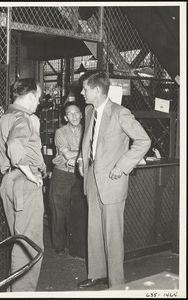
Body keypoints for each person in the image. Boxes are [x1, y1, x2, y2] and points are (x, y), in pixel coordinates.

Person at [77, 70, 151, 289]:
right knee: (94, 229)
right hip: (92, 179)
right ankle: (97, 274)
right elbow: (88, 141)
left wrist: (122, 166)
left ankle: (116, 283)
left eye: (85, 89)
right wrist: (82, 161)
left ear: (98, 90)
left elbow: (143, 141)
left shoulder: (120, 113)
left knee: (113, 234)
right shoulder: (90, 110)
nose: (82, 93)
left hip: (113, 180)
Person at [0, 78, 45, 292]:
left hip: (9, 181)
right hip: (25, 182)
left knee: (20, 240)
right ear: (31, 95)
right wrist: (31, 175)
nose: (39, 103)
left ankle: (13, 292)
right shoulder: (23, 117)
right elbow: (15, 145)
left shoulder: (5, 117)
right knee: (30, 245)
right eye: (39, 98)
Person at [49, 101, 83, 255]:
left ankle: (74, 246)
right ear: (65, 117)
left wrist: (76, 157)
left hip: (80, 175)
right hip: (62, 175)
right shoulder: (60, 132)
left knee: (76, 212)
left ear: (81, 115)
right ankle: (59, 246)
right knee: (58, 211)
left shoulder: (88, 131)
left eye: (76, 112)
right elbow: (67, 154)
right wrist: (82, 153)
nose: (74, 116)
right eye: (70, 113)